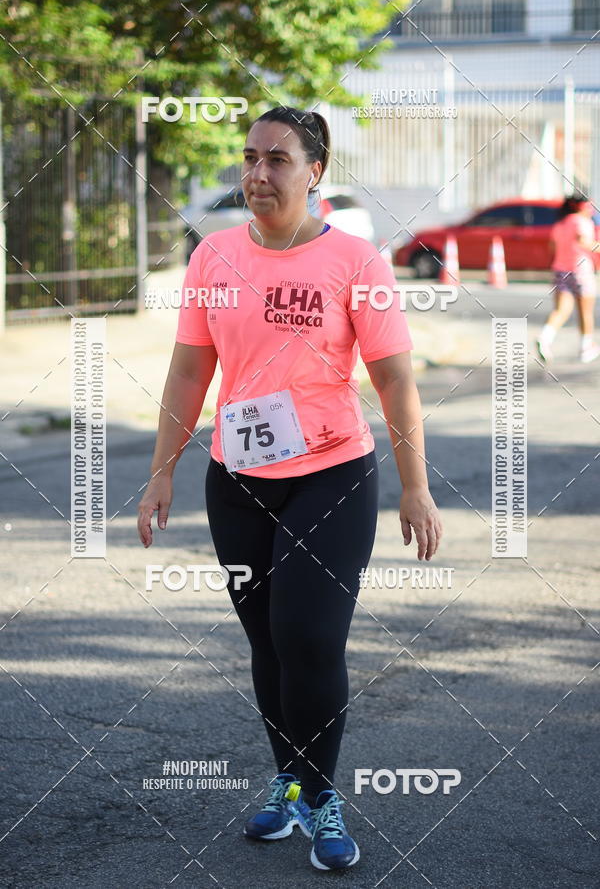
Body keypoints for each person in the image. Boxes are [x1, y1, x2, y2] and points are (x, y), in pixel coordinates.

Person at [137, 106, 443, 872]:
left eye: (277, 159)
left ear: (315, 172)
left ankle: (321, 792)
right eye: (249, 158)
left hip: (333, 476)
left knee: (310, 638)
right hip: (237, 480)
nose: (258, 174)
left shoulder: (356, 262)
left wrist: (416, 486)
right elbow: (188, 369)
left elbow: (395, 376)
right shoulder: (212, 258)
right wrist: (162, 468)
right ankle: (291, 783)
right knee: (267, 644)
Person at [536, 193, 600, 364]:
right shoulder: (581, 221)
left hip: (560, 271)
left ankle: (545, 338)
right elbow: (584, 241)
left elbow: (552, 247)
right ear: (581, 206)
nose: (592, 210)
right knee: (585, 311)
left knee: (561, 310)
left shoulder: (560, 223)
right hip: (581, 271)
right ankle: (586, 347)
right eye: (589, 206)